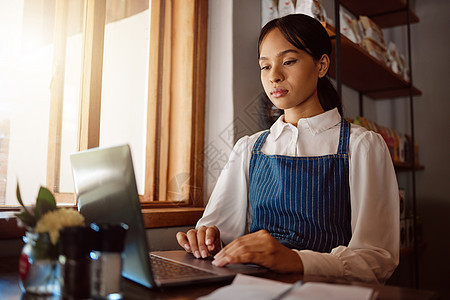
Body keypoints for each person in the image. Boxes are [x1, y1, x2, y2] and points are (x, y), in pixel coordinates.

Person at [176, 14, 399, 284]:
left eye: (288, 61)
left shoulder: (361, 146)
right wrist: (206, 240)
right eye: (265, 66)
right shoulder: (249, 148)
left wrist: (296, 260)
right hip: (258, 288)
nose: (275, 76)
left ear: (322, 65)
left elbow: (377, 259)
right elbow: (220, 233)